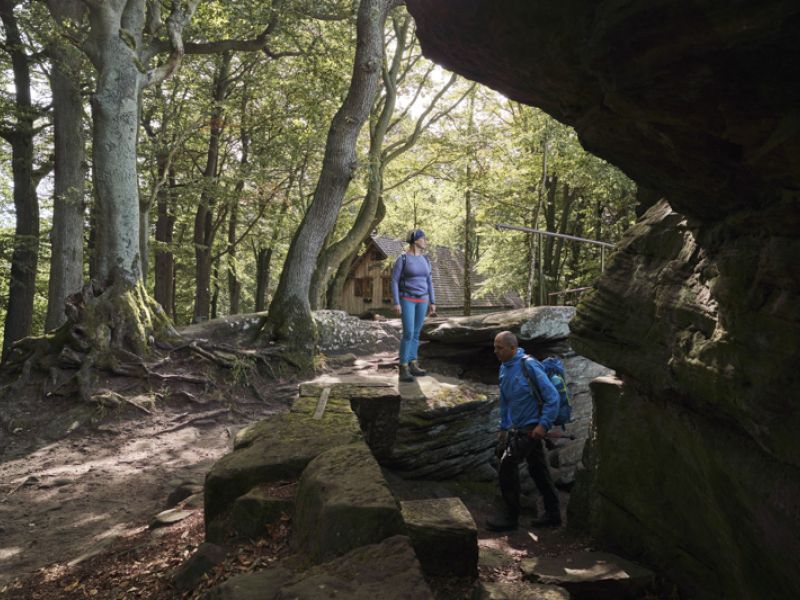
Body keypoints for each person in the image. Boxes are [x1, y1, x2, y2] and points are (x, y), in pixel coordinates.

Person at [486, 331, 562, 531]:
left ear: (513, 348)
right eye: (495, 347)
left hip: (532, 426)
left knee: (508, 465)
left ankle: (511, 518)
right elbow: (505, 401)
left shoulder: (528, 365)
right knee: (538, 469)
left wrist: (543, 424)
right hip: (518, 427)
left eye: (499, 348)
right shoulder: (504, 368)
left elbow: (552, 396)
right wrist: (503, 427)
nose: (495, 351)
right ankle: (553, 514)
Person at [391, 229, 436, 382]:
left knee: (416, 333)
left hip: (423, 300)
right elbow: (394, 281)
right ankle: (403, 367)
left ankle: (413, 363)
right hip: (407, 299)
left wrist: (433, 301)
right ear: (415, 240)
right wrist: (396, 302)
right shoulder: (402, 259)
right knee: (408, 332)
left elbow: (429, 281)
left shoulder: (426, 260)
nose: (425, 241)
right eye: (423, 238)